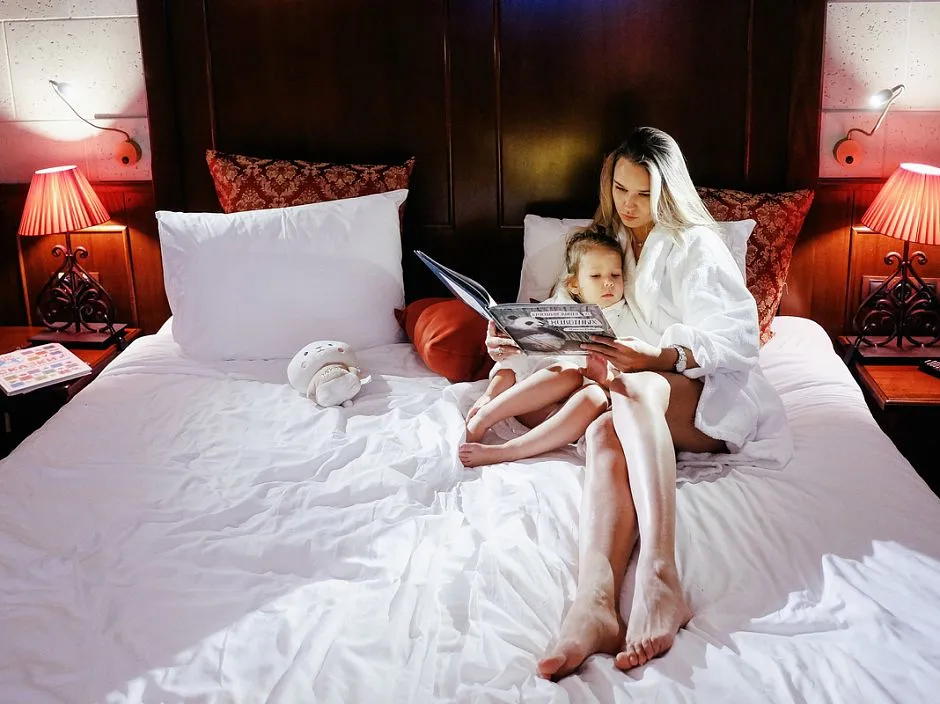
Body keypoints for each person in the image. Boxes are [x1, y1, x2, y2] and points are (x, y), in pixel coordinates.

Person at [482, 126, 792, 678]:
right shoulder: (611, 242)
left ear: (669, 191)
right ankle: (593, 602)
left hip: (705, 392)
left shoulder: (697, 244)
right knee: (602, 430)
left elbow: (739, 341)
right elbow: (575, 313)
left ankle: (661, 575)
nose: (628, 204)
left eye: (644, 194)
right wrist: (521, 340)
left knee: (634, 387)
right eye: (620, 189)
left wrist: (660, 355)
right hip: (632, 389)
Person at [459, 230, 637, 468]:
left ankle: (507, 451)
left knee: (594, 396)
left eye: (615, 275)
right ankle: (485, 416)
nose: (608, 282)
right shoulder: (551, 309)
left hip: (570, 418)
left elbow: (633, 378)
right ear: (574, 285)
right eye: (596, 276)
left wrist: (604, 378)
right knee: (567, 372)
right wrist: (489, 395)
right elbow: (513, 362)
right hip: (530, 404)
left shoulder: (629, 320)